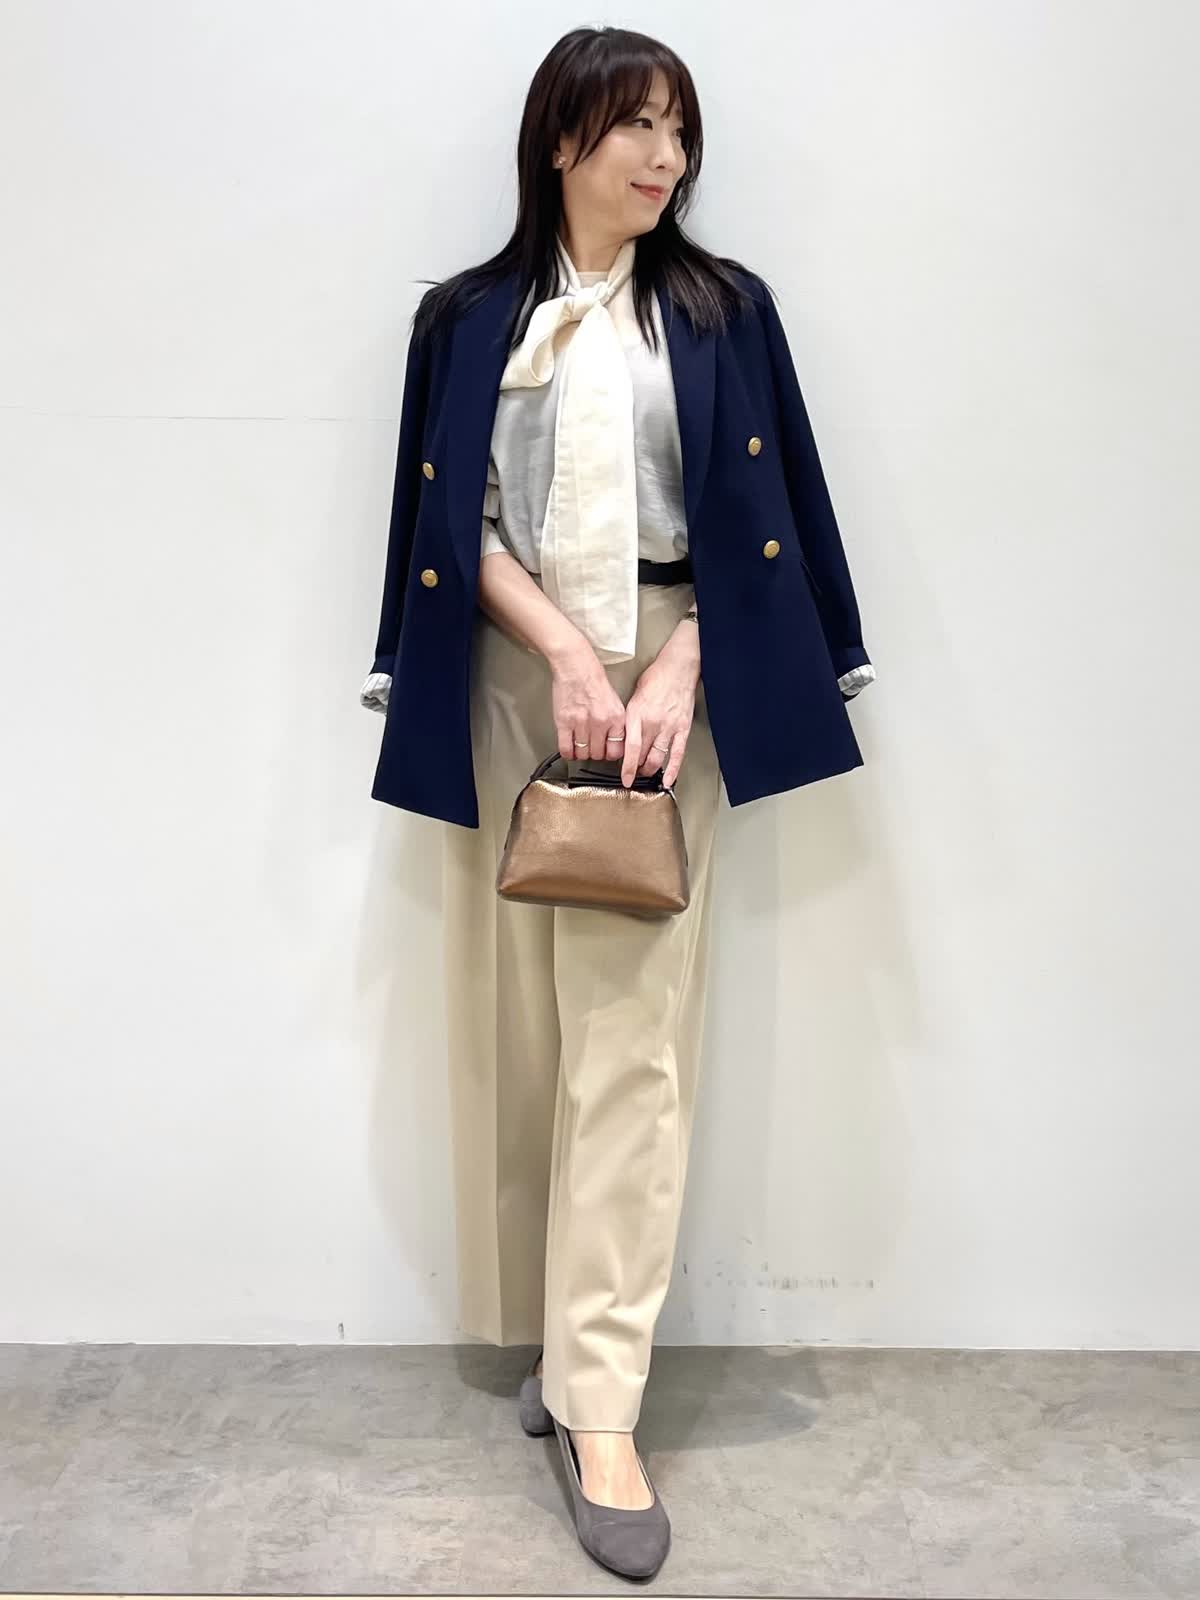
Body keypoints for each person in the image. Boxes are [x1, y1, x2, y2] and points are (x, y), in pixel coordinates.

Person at [360, 25, 875, 1581]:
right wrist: (568, 658)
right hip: (520, 678)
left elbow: (770, 507)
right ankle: (551, 1340)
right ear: (560, 141)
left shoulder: (723, 311)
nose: (666, 158)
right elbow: (452, 519)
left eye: (679, 130)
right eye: (636, 127)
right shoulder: (468, 319)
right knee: (530, 1033)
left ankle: (600, 1409)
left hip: (673, 690)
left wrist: (677, 667)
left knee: (633, 1047)